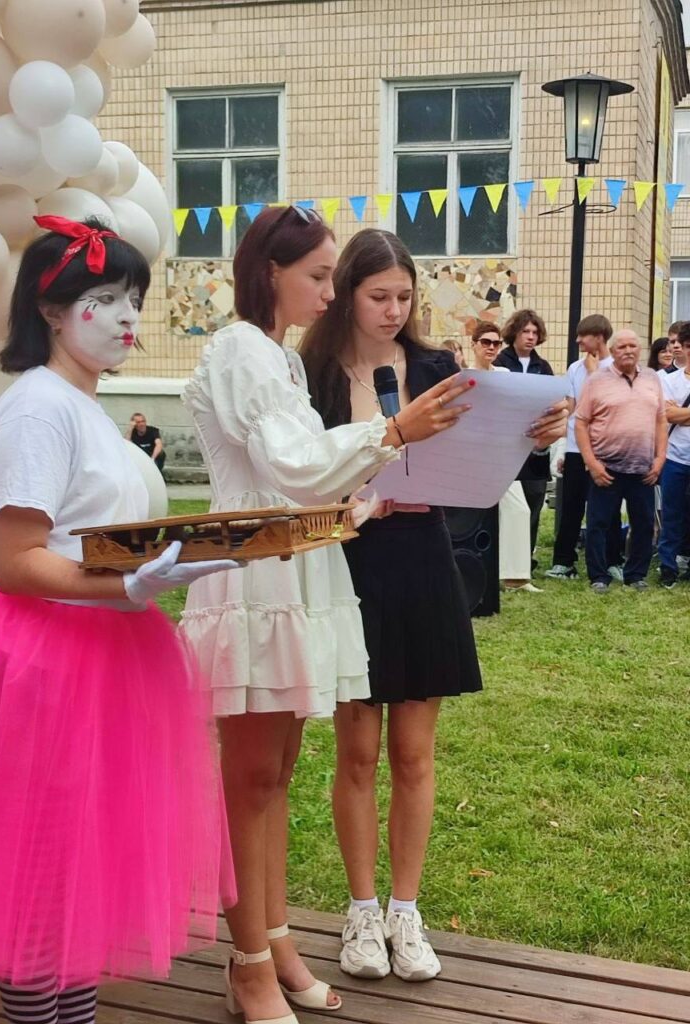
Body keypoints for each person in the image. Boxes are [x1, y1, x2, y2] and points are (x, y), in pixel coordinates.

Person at [0, 217, 235, 1024]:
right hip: (47, 660)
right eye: (104, 298)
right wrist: (127, 585)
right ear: (50, 310)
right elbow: (17, 560)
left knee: (76, 877)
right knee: (40, 880)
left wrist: (164, 563)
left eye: (133, 298)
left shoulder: (85, 406)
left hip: (103, 655)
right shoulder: (38, 410)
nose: (128, 317)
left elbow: (89, 537)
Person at [180, 207, 475, 1024]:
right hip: (253, 578)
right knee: (250, 780)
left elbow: (309, 484)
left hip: (292, 570)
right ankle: (247, 965)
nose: (329, 290)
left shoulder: (274, 354)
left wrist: (362, 505)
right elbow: (292, 466)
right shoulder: (242, 348)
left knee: (274, 777)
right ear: (268, 272)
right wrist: (392, 430)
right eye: (317, 275)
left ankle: (274, 943)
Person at [299, 232, 566, 984]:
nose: (393, 310)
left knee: (414, 754)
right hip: (349, 563)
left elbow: (484, 448)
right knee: (356, 752)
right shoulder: (313, 374)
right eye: (377, 296)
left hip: (423, 558)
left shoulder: (437, 370)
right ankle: (361, 910)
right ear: (346, 294)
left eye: (403, 296)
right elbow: (300, 472)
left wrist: (535, 435)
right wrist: (356, 497)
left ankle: (405, 911)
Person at [575, 329, 666, 592]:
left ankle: (636, 575)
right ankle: (599, 576)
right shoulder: (596, 380)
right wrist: (592, 463)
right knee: (599, 524)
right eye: (622, 346)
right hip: (606, 467)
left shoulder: (652, 378)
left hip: (643, 468)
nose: (628, 350)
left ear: (640, 350)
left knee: (644, 524)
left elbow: (661, 420)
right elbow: (581, 423)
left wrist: (660, 458)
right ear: (613, 351)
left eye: (632, 346)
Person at [546, 314, 623, 581]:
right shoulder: (574, 368)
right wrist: (563, 447)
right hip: (576, 448)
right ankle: (563, 561)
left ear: (599, 337)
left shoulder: (618, 367)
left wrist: (594, 374)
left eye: (583, 335)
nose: (578, 340)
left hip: (607, 450)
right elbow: (572, 409)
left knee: (608, 509)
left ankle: (612, 560)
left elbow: (609, 406)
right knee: (571, 505)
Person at [470, 320, 539, 592]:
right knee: (471, 517)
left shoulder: (504, 374)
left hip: (499, 455)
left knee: (518, 509)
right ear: (474, 344)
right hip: (471, 455)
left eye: (496, 343)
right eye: (485, 342)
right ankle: (475, 569)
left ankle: (516, 577)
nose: (491, 347)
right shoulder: (464, 376)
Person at [494, 309, 554, 571]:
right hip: (506, 445)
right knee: (507, 503)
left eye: (535, 332)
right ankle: (501, 558)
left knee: (534, 498)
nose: (530, 337)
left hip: (536, 443)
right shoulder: (500, 362)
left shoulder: (544, 366)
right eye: (525, 331)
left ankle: (524, 559)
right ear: (514, 333)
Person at [657, 320, 690, 587]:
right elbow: (667, 414)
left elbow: (676, 413)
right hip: (675, 457)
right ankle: (667, 567)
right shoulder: (669, 380)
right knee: (671, 514)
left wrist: (682, 412)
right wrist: (677, 413)